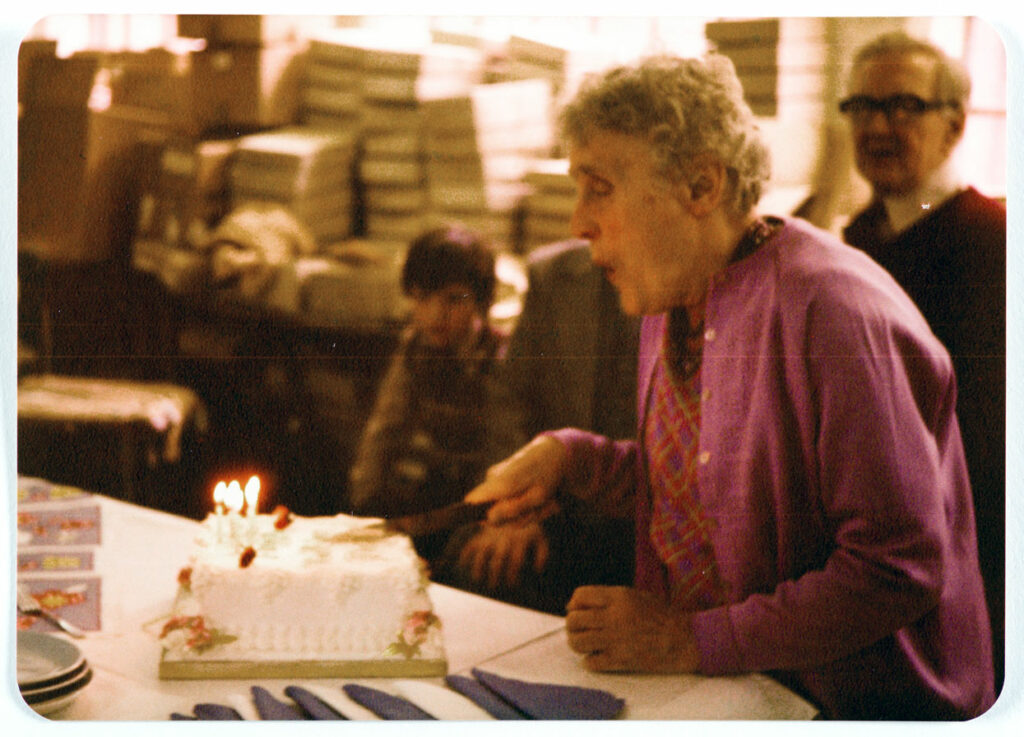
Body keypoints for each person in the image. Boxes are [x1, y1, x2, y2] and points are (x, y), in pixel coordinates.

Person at [464, 53, 995, 720]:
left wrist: (690, 638)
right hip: (732, 690)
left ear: (700, 186)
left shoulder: (835, 310)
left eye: (597, 186)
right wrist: (571, 456)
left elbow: (899, 568)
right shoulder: (676, 296)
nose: (577, 222)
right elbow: (718, 492)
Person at [839, 31, 1006, 692]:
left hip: (955, 557)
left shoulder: (991, 246)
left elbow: (981, 438)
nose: (879, 126)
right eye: (862, 107)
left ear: (955, 124)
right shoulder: (857, 238)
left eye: (903, 106)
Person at [447, 239, 639, 613]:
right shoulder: (553, 274)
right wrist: (516, 509)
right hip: (551, 502)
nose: (578, 222)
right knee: (470, 560)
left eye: (601, 190)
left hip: (632, 520)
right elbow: (510, 400)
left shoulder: (689, 282)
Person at [347, 224, 527, 567]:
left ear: (482, 301)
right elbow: (386, 428)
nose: (435, 315)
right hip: (429, 492)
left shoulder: (499, 357)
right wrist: (361, 507)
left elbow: (505, 452)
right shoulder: (415, 348)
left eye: (453, 300)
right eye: (422, 298)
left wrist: (490, 524)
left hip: (481, 500)